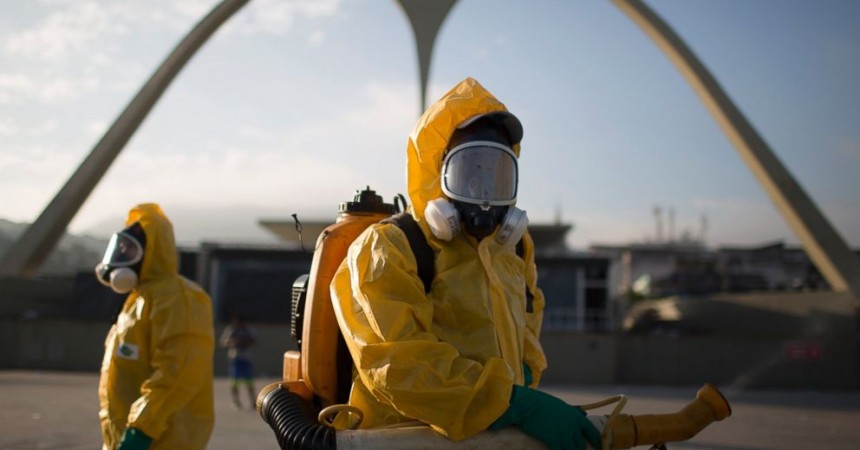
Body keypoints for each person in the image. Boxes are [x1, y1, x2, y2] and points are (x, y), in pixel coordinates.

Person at [330, 78, 602, 450]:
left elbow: (526, 333)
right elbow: (398, 364)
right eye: (469, 172)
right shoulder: (390, 248)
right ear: (436, 173)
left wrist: (520, 388)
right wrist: (513, 404)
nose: (484, 190)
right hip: (404, 440)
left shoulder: (515, 250)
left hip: (493, 439)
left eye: (497, 174)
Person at [95, 203, 215, 450]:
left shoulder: (178, 298)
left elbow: (178, 374)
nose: (121, 255)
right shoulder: (138, 299)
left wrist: (140, 431)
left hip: (163, 440)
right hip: (128, 438)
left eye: (130, 249)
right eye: (121, 248)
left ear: (152, 251)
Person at [220, 314, 257, 410]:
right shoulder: (231, 330)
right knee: (234, 382)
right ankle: (236, 402)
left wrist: (244, 341)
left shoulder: (248, 330)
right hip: (235, 358)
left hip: (246, 358)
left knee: (249, 382)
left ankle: (253, 401)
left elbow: (254, 340)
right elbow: (224, 341)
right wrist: (233, 342)